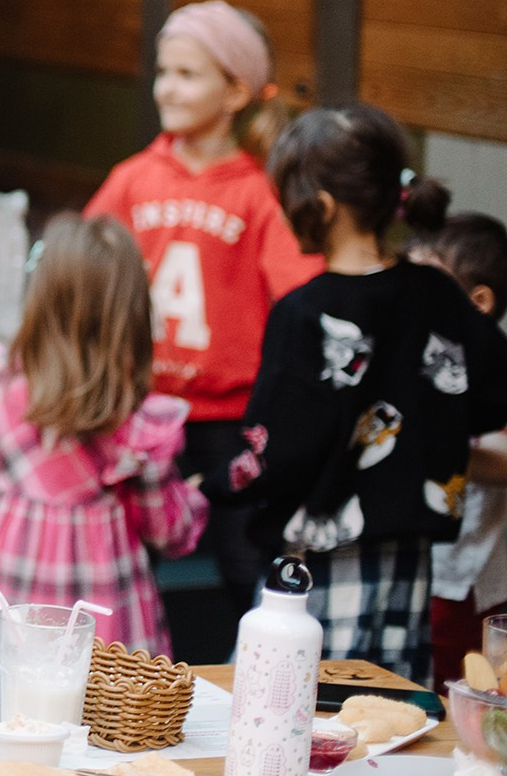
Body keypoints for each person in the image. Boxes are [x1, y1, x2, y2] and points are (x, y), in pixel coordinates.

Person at [199, 106, 507, 681]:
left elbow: (278, 452)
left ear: (320, 206)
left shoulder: (304, 313)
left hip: (316, 561)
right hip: (410, 561)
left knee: (291, 699)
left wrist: (214, 482)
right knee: (385, 705)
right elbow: (490, 394)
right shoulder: (436, 294)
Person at [84, 0, 321, 630]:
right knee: (125, 559)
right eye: (164, 72)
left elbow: (302, 301)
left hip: (232, 419)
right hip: (140, 408)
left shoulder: (261, 191)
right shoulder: (132, 179)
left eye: (187, 74)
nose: (167, 87)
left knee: (247, 563)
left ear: (236, 91)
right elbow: (82, 270)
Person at [0, 214, 209, 658]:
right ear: (131, 315)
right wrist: (193, 497)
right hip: (97, 643)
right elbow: (169, 532)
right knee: (98, 701)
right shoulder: (138, 426)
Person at [411, 203, 507, 688]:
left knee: (467, 687)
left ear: (479, 301)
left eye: (428, 285)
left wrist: (434, 446)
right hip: (421, 564)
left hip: (471, 579)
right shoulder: (418, 362)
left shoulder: (494, 374)